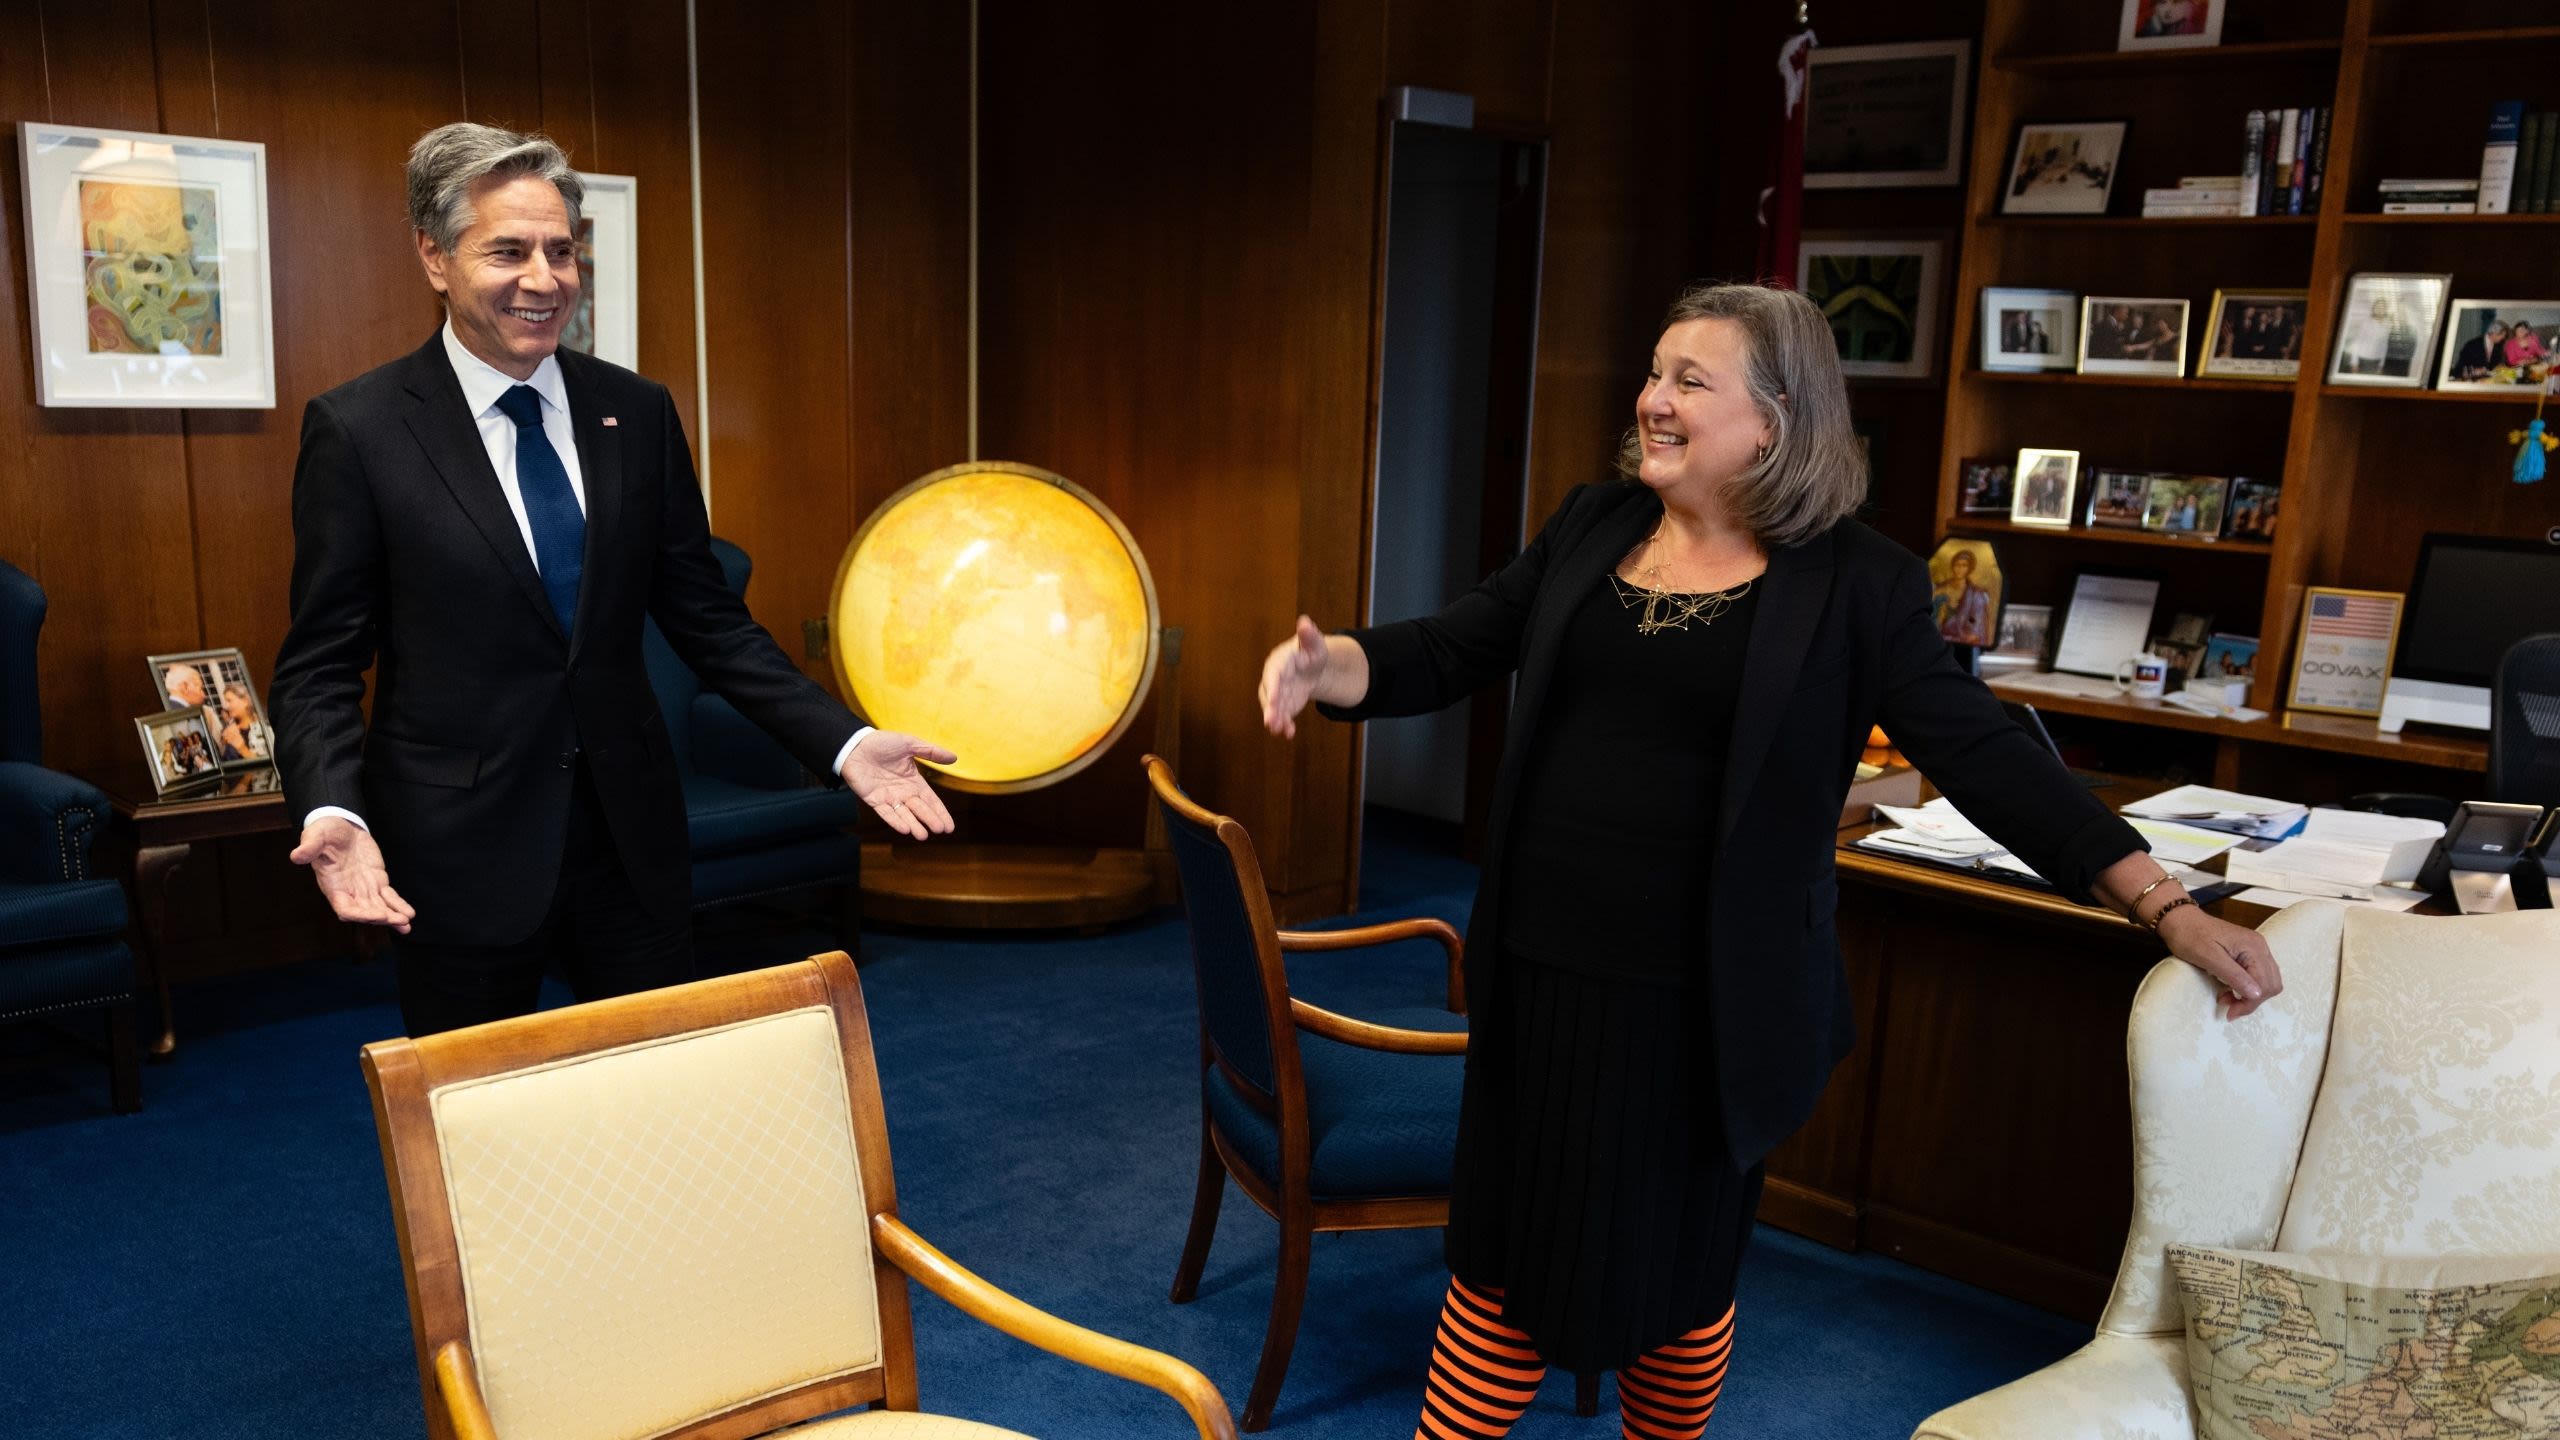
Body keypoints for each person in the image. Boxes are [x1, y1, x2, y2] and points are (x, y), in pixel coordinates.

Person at [1256, 283, 2282, 1440]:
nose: (1651, 399)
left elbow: (1985, 758)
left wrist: (2162, 904)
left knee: (1678, 1278)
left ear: (1777, 422)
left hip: (1704, 1009)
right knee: (1500, 1253)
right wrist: (1337, 664)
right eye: (1654, 373)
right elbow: (1453, 644)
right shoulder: (1591, 526)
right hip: (1541, 975)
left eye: (1689, 381)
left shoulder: (1859, 582)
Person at [270, 123, 957, 1038]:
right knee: (477, 1110)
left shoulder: (633, 412)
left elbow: (710, 621)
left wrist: (843, 742)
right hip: (461, 844)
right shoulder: (359, 431)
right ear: (434, 257)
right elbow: (320, 661)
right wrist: (331, 801)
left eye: (562, 251)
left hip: (631, 836)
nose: (543, 279)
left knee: (652, 1092)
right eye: (507, 251)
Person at [1931, 547, 1995, 648]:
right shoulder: (1940, 589)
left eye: (1964, 565)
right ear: (1952, 566)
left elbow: (1976, 633)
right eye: (1957, 565)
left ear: (1969, 568)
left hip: (1962, 646)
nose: (1960, 569)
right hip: (1936, 644)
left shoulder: (1976, 595)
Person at [211, 682, 270, 762]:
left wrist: (241, 747)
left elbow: (266, 765)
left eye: (229, 700)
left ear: (245, 701)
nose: (226, 706)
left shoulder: (263, 728)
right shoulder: (231, 729)